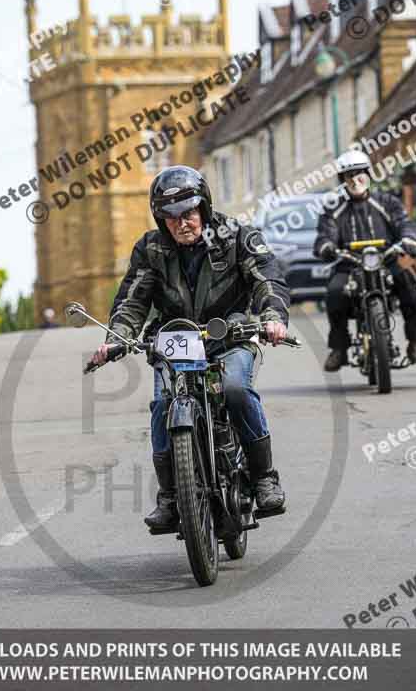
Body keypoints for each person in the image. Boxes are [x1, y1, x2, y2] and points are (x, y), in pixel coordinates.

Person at [91, 165, 291, 530]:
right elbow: (132, 300)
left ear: (204, 208)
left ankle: (264, 477)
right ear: (160, 219)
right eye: (170, 217)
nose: (181, 223)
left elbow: (266, 277)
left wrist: (273, 317)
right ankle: (170, 496)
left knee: (234, 388)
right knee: (163, 405)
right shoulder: (150, 249)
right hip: (175, 342)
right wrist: (115, 339)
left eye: (188, 213)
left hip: (229, 336)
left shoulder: (236, 237)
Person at [314, 150, 416, 371]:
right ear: (342, 180)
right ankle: (339, 348)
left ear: (369, 175)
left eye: (360, 174)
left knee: (408, 285)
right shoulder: (333, 209)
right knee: (334, 293)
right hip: (348, 265)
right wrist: (327, 246)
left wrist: (409, 240)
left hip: (385, 261)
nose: (355, 180)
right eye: (349, 176)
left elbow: (405, 223)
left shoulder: (388, 202)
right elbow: (324, 235)